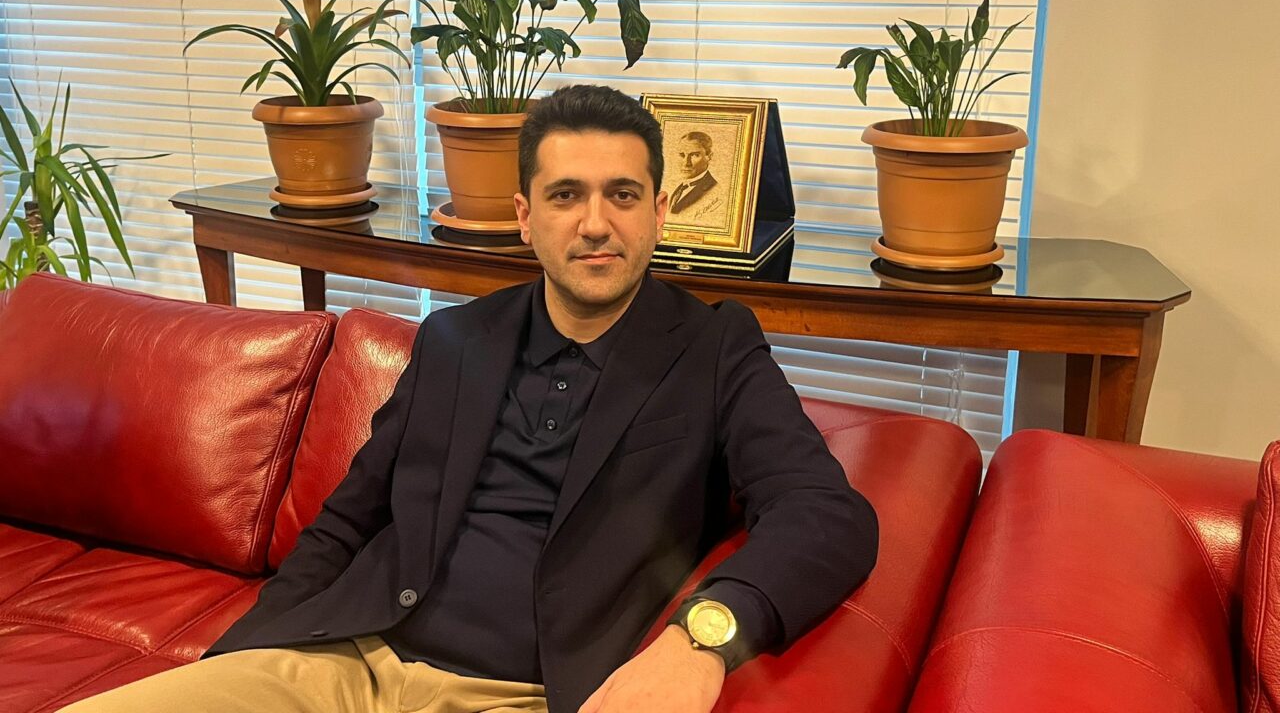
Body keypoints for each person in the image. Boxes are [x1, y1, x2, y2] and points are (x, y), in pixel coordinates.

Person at [61, 85, 877, 713]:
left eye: (623, 195)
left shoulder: (713, 348)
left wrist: (700, 642)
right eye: (566, 195)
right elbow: (348, 520)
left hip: (518, 692)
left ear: (661, 212)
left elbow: (825, 513)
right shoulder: (455, 339)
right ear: (525, 217)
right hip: (346, 659)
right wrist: (242, 656)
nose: (595, 223)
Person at [667, 131, 723, 223]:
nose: (686, 163)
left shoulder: (715, 191)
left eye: (695, 155)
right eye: (682, 155)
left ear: (709, 156)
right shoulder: (679, 188)